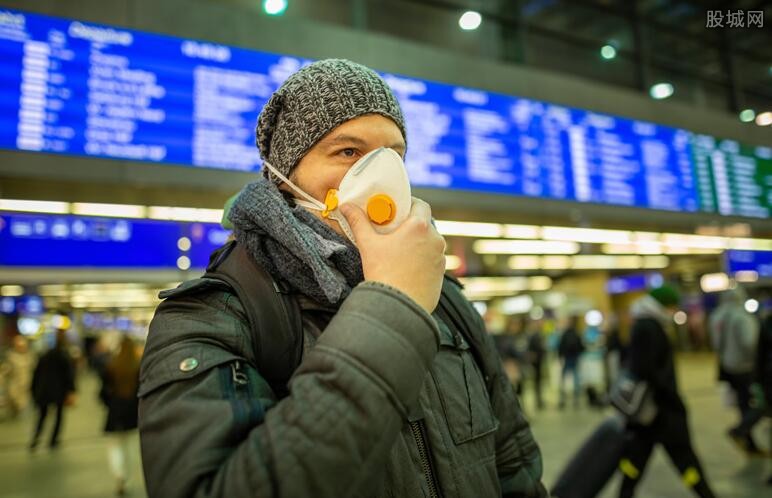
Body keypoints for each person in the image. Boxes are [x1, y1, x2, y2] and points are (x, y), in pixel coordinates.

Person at [138, 59, 546, 498]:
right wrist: (393, 304)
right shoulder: (211, 319)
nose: (381, 176)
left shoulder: (445, 300)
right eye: (348, 152)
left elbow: (515, 471)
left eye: (394, 155)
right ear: (285, 177)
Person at [618, 286, 716, 498]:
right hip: (660, 408)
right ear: (664, 305)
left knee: (637, 459)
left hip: (649, 413)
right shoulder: (649, 326)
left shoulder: (646, 324)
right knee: (683, 457)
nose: (674, 311)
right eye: (673, 306)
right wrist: (671, 397)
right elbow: (648, 369)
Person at [709, 287, 760, 453]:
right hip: (746, 367)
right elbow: (750, 343)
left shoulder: (716, 316)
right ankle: (742, 432)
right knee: (758, 402)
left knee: (743, 403)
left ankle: (748, 440)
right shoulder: (742, 317)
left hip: (727, 365)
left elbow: (715, 344)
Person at [101, 335, 141, 496]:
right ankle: (127, 477)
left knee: (114, 446)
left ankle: (119, 475)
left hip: (115, 411)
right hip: (132, 412)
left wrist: (109, 404)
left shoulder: (111, 366)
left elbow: (103, 391)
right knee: (131, 447)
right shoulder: (138, 367)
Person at [30, 329, 76, 450]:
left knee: (42, 416)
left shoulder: (44, 356)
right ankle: (53, 440)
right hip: (59, 391)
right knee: (59, 416)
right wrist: (71, 390)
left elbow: (36, 374)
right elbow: (69, 375)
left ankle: (36, 438)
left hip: (44, 390)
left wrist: (34, 391)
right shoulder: (64, 356)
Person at [3, 335, 34, 418]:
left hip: (25, 384)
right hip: (14, 384)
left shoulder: (29, 357)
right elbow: (6, 369)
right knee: (13, 399)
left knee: (22, 402)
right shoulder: (11, 356)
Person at [558, 315, 584, 409]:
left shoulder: (564, 334)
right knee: (576, 379)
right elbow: (581, 346)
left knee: (563, 379)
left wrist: (560, 356)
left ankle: (562, 398)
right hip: (575, 358)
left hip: (567, 358)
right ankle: (576, 399)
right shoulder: (576, 333)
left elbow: (560, 346)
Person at [526, 319, 547, 410]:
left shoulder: (538, 336)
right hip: (536, 362)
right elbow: (533, 350)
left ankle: (539, 400)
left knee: (538, 382)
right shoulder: (535, 337)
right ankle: (538, 401)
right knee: (537, 382)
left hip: (538, 362)